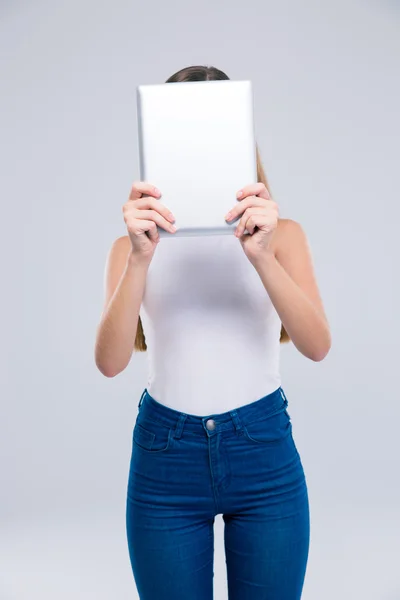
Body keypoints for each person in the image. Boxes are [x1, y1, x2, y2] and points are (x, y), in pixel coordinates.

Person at [94, 65, 331, 600]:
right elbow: (110, 362)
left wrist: (262, 255)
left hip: (263, 451)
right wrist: (139, 258)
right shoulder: (129, 249)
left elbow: (316, 346)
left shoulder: (283, 236)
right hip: (165, 459)